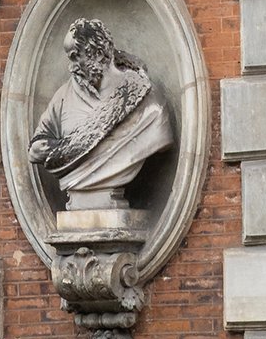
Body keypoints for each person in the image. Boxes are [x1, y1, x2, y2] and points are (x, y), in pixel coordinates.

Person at [28, 17, 172, 212]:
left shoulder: (149, 103)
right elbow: (35, 149)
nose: (71, 66)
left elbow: (161, 135)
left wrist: (72, 149)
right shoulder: (64, 95)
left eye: (74, 56)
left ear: (97, 53)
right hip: (75, 192)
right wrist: (68, 148)